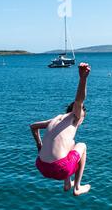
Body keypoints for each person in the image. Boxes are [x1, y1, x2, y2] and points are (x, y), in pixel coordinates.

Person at [30, 63, 92, 196]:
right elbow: (79, 100)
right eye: (83, 118)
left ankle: (66, 183)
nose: (81, 121)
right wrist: (83, 78)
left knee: (71, 143)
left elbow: (33, 127)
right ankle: (77, 187)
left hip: (41, 166)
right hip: (60, 168)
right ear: (78, 114)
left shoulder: (54, 119)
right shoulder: (75, 116)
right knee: (82, 146)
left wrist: (39, 145)